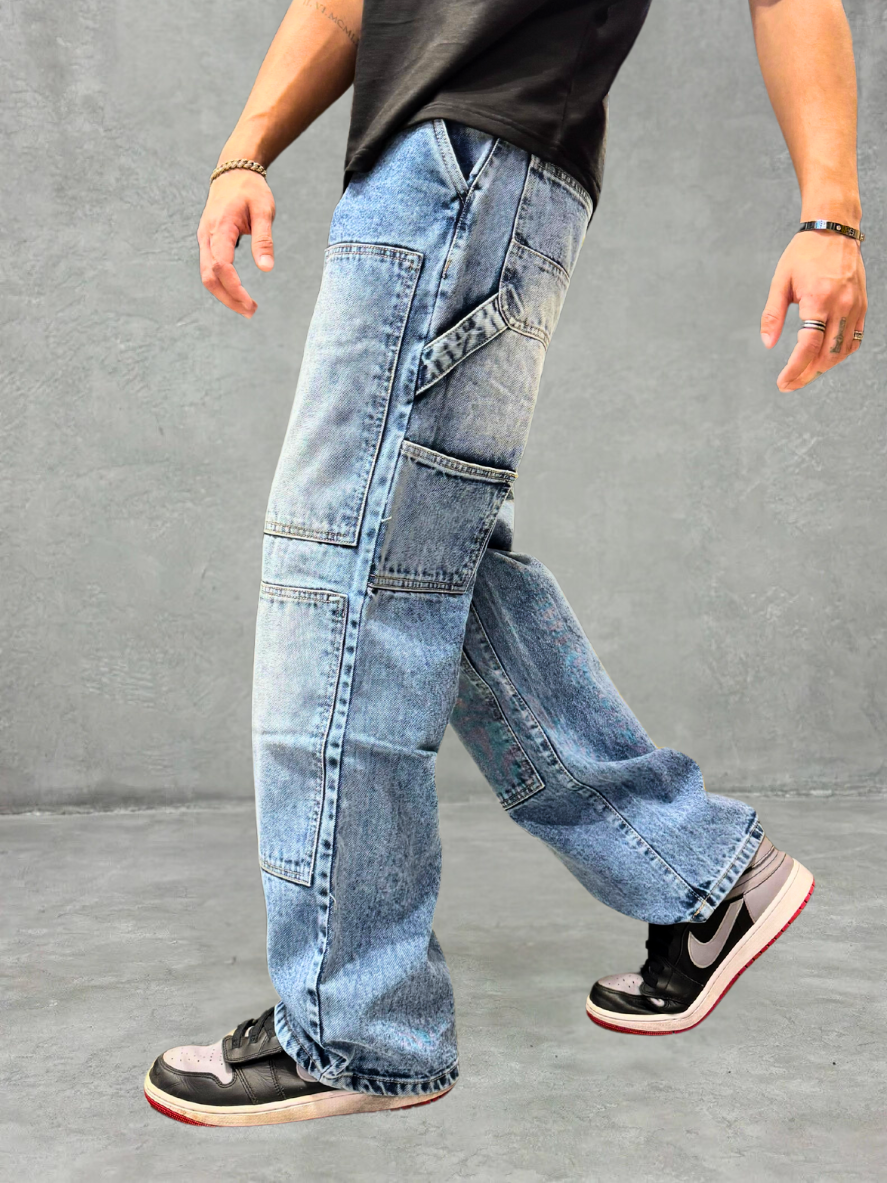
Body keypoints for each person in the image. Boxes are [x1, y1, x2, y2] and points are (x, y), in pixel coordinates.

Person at [143, 0, 866, 1126]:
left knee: (346, 568)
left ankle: (355, 1027)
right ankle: (703, 875)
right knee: (417, 561)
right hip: (426, 167)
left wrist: (830, 217)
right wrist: (246, 150)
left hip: (470, 161)